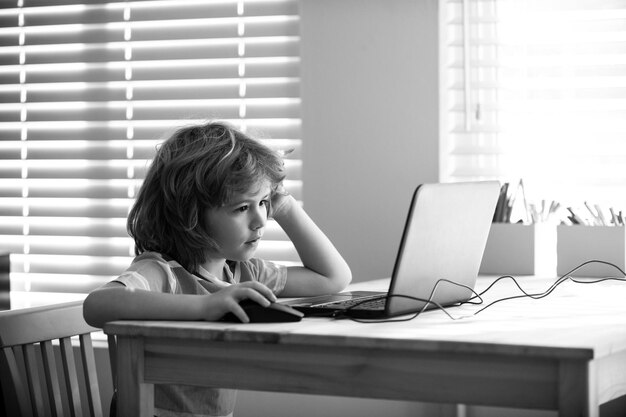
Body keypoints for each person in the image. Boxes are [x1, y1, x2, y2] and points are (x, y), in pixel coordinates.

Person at [83, 120, 352, 417]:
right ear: (190, 214)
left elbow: (333, 277)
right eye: (242, 208)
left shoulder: (244, 273)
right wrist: (205, 305)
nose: (261, 219)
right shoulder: (164, 272)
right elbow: (97, 304)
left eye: (263, 203)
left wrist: (285, 206)